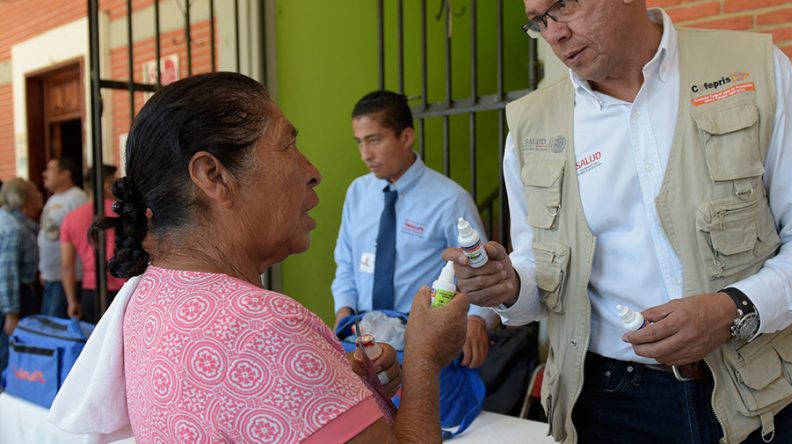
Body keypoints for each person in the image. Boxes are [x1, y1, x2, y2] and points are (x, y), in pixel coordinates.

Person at [443, 1, 792, 443]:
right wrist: (509, 286)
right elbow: (537, 274)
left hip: (751, 393)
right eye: (539, 21)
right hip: (608, 404)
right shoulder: (531, 125)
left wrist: (733, 308)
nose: (554, 33)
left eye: (562, 6)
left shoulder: (753, 70)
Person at [48, 72, 469, 444]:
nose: (313, 171)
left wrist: (337, 385)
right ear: (213, 176)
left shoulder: (154, 294)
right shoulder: (261, 328)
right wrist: (424, 359)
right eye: (288, 145)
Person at [332, 90, 497, 368]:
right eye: (359, 143)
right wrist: (343, 314)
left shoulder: (449, 200)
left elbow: (481, 271)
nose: (365, 154)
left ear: (406, 137)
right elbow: (346, 263)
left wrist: (477, 319)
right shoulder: (357, 193)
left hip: (424, 343)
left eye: (374, 140)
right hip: (363, 337)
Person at [60, 164, 126, 324]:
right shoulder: (124, 213)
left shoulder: (71, 218)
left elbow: (67, 265)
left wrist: (72, 301)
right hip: (123, 288)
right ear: (106, 185)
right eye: (115, 181)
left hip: (89, 290)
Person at [0, 178, 42, 373]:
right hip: (13, 300)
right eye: (35, 192)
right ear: (24, 199)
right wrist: (11, 314)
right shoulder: (13, 229)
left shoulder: (12, 222)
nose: (40, 195)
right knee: (9, 355)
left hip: (17, 296)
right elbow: (8, 273)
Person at [39, 157, 88, 318]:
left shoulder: (77, 198)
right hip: (52, 276)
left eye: (50, 169)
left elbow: (83, 236)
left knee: (58, 330)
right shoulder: (53, 198)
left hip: (66, 278)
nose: (44, 174)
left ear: (65, 174)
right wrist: (44, 270)